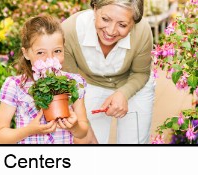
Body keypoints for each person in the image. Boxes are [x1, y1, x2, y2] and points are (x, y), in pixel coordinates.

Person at [62, 0, 155, 144]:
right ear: (95, 9)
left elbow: (140, 73)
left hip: (134, 83)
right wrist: (82, 122)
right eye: (105, 19)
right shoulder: (69, 31)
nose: (111, 31)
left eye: (122, 25)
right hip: (87, 85)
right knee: (90, 140)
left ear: (133, 23)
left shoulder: (142, 31)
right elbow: (70, 81)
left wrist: (123, 93)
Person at [0, 15, 95, 144]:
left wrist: (74, 126)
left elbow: (83, 130)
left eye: (57, 51)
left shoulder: (73, 82)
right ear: (26, 53)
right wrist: (30, 130)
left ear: (64, 49)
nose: (50, 59)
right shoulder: (15, 85)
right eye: (41, 52)